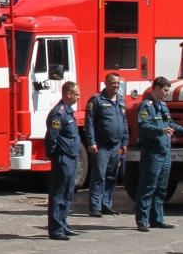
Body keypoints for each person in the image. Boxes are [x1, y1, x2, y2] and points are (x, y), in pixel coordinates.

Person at [134, 76, 183, 231]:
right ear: (157, 88)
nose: (167, 93)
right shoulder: (147, 106)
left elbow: (170, 124)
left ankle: (157, 219)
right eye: (165, 90)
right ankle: (142, 220)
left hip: (165, 152)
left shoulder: (163, 106)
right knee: (147, 187)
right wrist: (161, 130)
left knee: (161, 188)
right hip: (152, 153)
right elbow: (144, 127)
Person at [84, 72, 130, 216]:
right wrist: (91, 142)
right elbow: (89, 122)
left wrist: (125, 141)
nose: (116, 85)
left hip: (116, 145)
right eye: (113, 83)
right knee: (99, 176)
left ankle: (106, 204)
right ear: (106, 83)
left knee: (111, 176)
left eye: (118, 83)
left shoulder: (121, 100)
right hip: (101, 145)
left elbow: (124, 121)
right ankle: (94, 207)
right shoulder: (96, 100)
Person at [44, 80, 83, 240]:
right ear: (69, 94)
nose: (79, 97)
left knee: (68, 194)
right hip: (63, 158)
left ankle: (63, 224)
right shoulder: (58, 113)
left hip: (71, 158)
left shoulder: (68, 112)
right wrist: (53, 154)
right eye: (77, 94)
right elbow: (52, 137)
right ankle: (56, 229)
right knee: (58, 194)